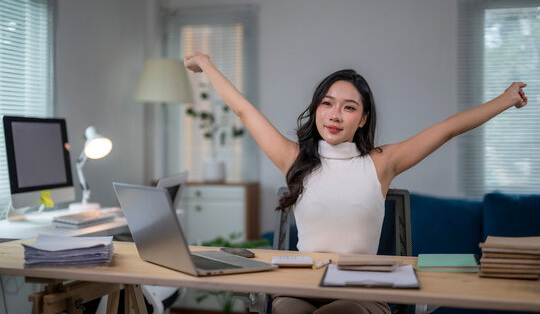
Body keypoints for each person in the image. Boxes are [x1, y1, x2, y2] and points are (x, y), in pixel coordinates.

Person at [184, 52, 527, 314]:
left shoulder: (381, 162)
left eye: (348, 108)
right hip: (301, 286)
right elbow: (245, 111)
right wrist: (206, 64)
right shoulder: (294, 160)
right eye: (327, 103)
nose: (334, 115)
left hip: (363, 289)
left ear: (362, 119)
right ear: (316, 108)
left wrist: (506, 99)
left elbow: (447, 128)